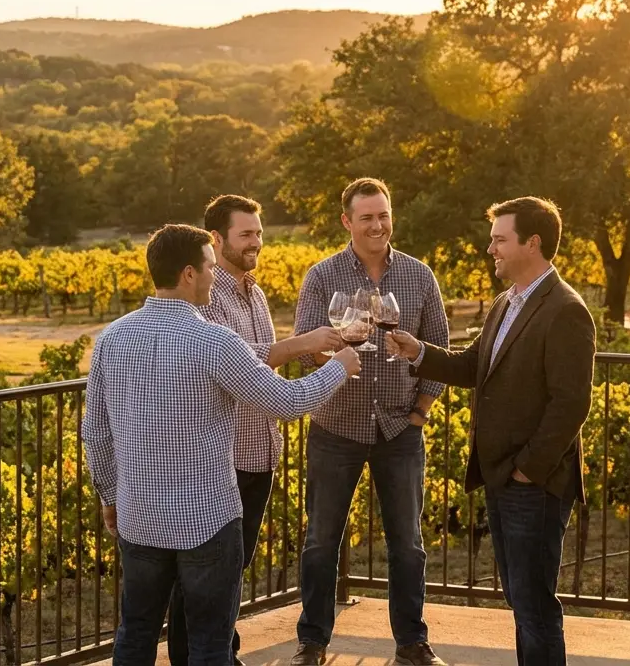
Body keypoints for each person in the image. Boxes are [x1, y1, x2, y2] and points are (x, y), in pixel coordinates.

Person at [82, 223, 361, 666]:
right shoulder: (212, 341)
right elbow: (287, 402)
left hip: (139, 518)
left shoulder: (111, 338)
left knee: (134, 635)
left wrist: (110, 496)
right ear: (189, 273)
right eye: (211, 266)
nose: (216, 275)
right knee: (210, 644)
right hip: (207, 521)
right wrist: (341, 366)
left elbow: (95, 432)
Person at [386, 196, 595, 666]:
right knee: (522, 603)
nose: (490, 248)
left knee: (534, 606)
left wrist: (527, 471)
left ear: (532, 243)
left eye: (500, 239)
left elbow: (571, 404)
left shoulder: (565, 309)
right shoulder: (507, 301)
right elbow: (472, 364)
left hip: (532, 484)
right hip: (503, 477)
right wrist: (416, 350)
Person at [164, 195, 345, 666]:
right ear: (217, 239)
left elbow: (264, 366)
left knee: (231, 570)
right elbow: (243, 361)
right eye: (246, 234)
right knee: (202, 575)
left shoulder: (254, 291)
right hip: (223, 455)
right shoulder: (206, 295)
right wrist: (305, 342)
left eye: (259, 233)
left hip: (259, 451)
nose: (257, 242)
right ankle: (196, 656)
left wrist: (315, 356)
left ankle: (222, 651)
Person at [291, 178, 450, 666]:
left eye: (383, 215)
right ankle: (312, 644)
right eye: (367, 217)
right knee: (321, 542)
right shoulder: (322, 276)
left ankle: (412, 644)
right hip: (336, 428)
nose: (377, 224)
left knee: (408, 546)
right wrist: (336, 353)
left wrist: (420, 414)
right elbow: (303, 350)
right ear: (347, 222)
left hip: (400, 430)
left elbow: (438, 355)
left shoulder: (420, 276)